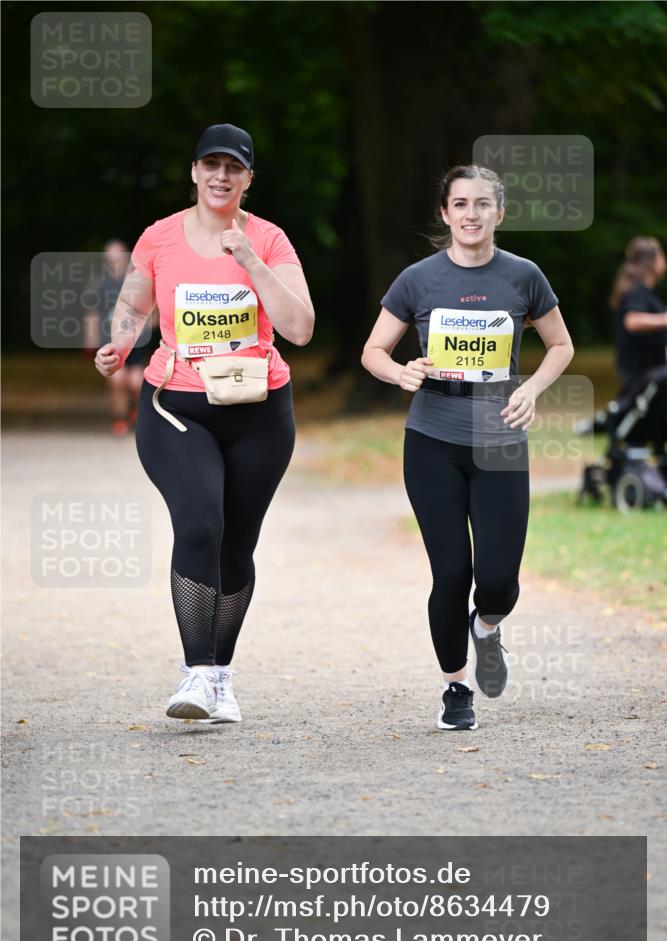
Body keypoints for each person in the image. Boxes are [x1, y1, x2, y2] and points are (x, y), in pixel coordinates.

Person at [94, 124, 314, 722]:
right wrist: (118, 344)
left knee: (237, 543)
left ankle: (220, 676)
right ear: (194, 171)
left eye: (233, 167)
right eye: (210, 164)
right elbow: (133, 306)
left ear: (247, 179)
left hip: (260, 411)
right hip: (176, 405)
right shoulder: (160, 237)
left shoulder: (268, 240)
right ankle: (195, 675)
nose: (221, 176)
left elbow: (299, 328)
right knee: (200, 522)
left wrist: (248, 259)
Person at [361, 164, 574, 731]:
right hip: (432, 437)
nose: (471, 214)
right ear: (445, 213)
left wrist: (530, 388)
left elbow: (560, 345)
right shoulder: (418, 279)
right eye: (460, 204)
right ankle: (456, 687)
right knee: (451, 572)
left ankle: (487, 627)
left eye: (483, 204)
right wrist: (399, 372)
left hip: (500, 439)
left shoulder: (524, 276)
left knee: (498, 580)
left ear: (499, 214)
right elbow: (373, 352)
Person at [84, 239, 156, 436]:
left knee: (135, 382)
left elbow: (152, 306)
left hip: (136, 342)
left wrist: (152, 322)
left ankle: (135, 411)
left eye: (118, 257)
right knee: (117, 381)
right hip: (109, 340)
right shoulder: (99, 284)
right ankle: (119, 419)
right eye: (111, 258)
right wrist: (90, 339)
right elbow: (92, 314)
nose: (115, 262)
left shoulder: (136, 280)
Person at [610, 236, 667, 391]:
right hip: (641, 374)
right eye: (661, 256)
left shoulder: (644, 292)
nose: (664, 261)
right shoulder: (638, 290)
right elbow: (632, 321)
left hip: (650, 371)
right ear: (651, 262)